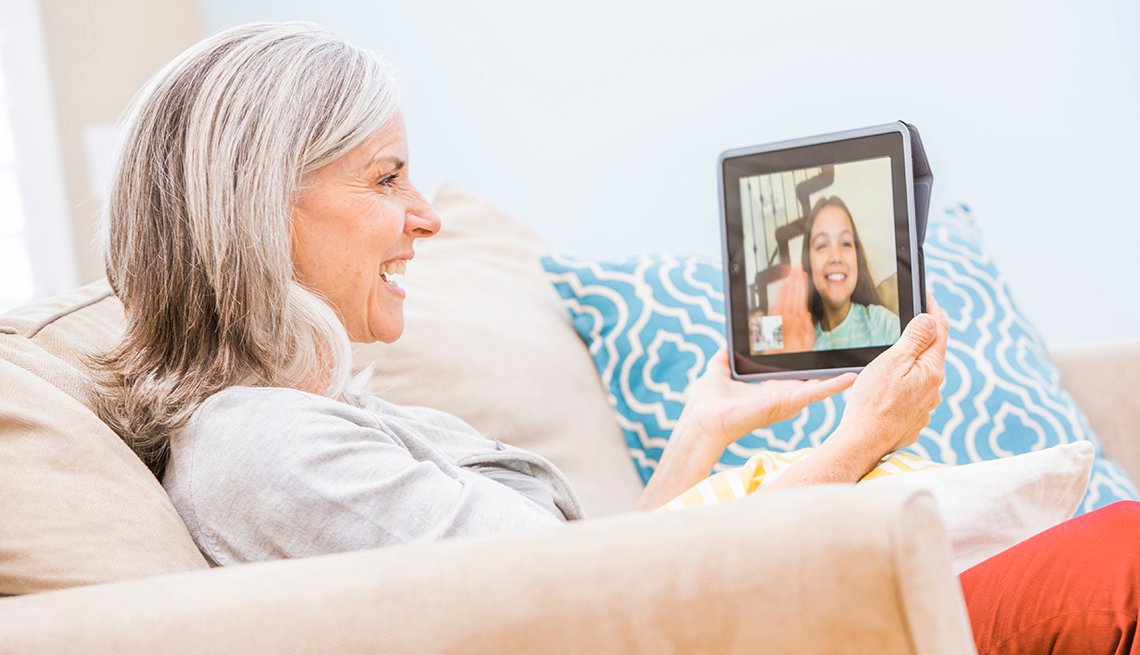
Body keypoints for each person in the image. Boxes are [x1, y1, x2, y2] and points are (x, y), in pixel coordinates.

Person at [94, 22, 1138, 653]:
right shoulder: (266, 450)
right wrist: (852, 445)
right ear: (256, 210)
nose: (426, 215)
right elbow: (593, 616)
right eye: (384, 178)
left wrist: (695, 436)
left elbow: (569, 577)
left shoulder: (316, 422)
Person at [772, 197, 900, 352]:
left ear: (857, 258)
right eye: (822, 245)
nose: (836, 256)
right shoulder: (798, 338)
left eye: (846, 243)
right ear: (809, 264)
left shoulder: (883, 324)